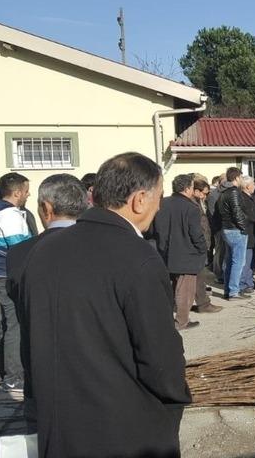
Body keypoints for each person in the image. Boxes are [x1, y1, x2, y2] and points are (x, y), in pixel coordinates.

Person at [22, 152, 190, 457]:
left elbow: (30, 343)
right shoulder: (139, 257)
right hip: (124, 430)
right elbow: (159, 358)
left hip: (59, 425)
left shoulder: (43, 251)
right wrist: (176, 398)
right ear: (139, 200)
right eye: (159, 197)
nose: (160, 206)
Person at [6, 174, 86, 433]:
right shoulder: (109, 249)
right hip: (95, 377)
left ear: (46, 208)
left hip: (41, 374)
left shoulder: (20, 254)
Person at [149, 174, 209, 330]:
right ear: (188, 188)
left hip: (165, 251)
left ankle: (167, 317)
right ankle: (182, 321)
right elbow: (196, 233)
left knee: (170, 288)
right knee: (185, 291)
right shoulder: (191, 208)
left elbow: (153, 228)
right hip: (186, 254)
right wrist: (203, 248)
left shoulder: (163, 203)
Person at [0, 172, 32, 392]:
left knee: (2, 324)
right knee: (15, 324)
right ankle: (13, 376)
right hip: (6, 276)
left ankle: (3, 371)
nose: (28, 195)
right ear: (17, 192)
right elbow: (22, 251)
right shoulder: (11, 216)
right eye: (27, 191)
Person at [190, 177, 222, 314]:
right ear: (196, 191)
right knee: (199, 276)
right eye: (204, 193)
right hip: (197, 245)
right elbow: (197, 227)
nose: (206, 196)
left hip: (202, 243)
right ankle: (203, 304)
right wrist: (203, 243)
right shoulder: (192, 205)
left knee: (199, 276)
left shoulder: (198, 202)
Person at [216, 167, 248, 300]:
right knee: (238, 262)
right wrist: (243, 227)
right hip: (235, 229)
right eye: (241, 177)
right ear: (236, 178)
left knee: (230, 261)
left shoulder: (223, 192)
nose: (242, 180)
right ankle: (234, 291)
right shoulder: (234, 192)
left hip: (226, 229)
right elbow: (236, 211)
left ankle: (228, 290)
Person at [239, 176, 255, 294]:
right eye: (253, 184)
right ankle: (243, 283)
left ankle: (249, 281)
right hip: (247, 232)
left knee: (250, 259)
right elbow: (249, 215)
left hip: (252, 232)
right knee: (245, 260)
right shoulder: (244, 199)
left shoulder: (249, 197)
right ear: (247, 186)